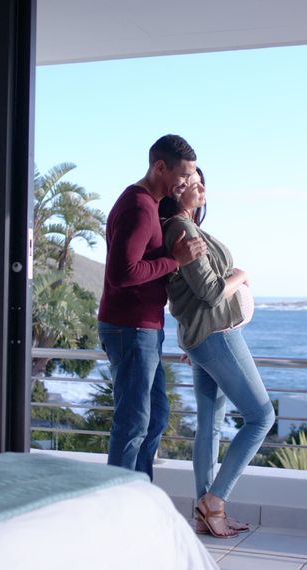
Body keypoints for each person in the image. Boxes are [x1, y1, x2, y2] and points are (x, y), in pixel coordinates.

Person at [159, 167, 275, 539]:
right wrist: (241, 275)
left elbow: (188, 297)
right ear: (175, 191)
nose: (199, 187)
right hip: (217, 337)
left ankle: (203, 513)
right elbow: (210, 293)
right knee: (261, 417)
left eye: (200, 181)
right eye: (189, 183)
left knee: (210, 423)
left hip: (203, 339)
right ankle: (214, 501)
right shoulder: (182, 229)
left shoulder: (185, 228)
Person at [98, 134, 207, 480]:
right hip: (129, 327)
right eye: (183, 175)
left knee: (156, 416)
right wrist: (175, 260)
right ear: (160, 167)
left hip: (145, 327)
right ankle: (118, 497)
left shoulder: (147, 205)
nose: (186, 183)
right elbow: (122, 274)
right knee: (133, 421)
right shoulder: (139, 208)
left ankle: (139, 488)